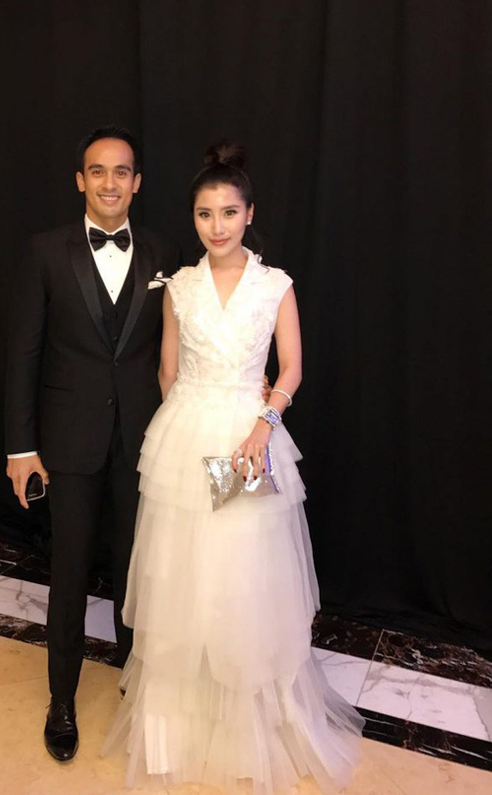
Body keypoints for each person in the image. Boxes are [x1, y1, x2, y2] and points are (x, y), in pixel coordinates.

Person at [103, 143, 364, 793]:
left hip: (250, 440)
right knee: (184, 577)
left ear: (249, 214)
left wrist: (262, 422)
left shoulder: (275, 286)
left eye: (227, 212)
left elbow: (291, 367)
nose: (216, 226)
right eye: (204, 214)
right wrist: (187, 429)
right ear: (192, 218)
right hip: (186, 439)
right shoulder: (179, 286)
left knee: (244, 576)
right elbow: (168, 371)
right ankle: (181, 724)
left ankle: (249, 723)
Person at [4, 126, 179, 762]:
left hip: (142, 440)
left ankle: (138, 691)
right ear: (81, 181)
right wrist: (20, 447)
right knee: (70, 572)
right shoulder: (44, 251)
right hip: (67, 442)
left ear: (137, 182)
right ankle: (62, 700)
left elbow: (178, 347)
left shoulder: (163, 251)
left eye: (122, 171)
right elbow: (23, 354)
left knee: (138, 570)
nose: (110, 183)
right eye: (98, 171)